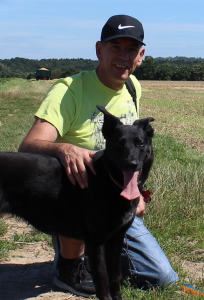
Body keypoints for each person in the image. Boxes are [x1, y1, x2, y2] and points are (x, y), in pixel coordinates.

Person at [18, 14, 178, 297]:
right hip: (73, 201)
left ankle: (102, 257)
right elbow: (29, 146)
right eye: (115, 47)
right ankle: (69, 266)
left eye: (131, 49)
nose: (123, 56)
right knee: (85, 207)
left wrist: (136, 192)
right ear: (99, 50)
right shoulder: (69, 90)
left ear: (141, 56)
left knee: (161, 277)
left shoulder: (132, 86)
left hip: (115, 201)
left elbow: (131, 151)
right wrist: (64, 148)